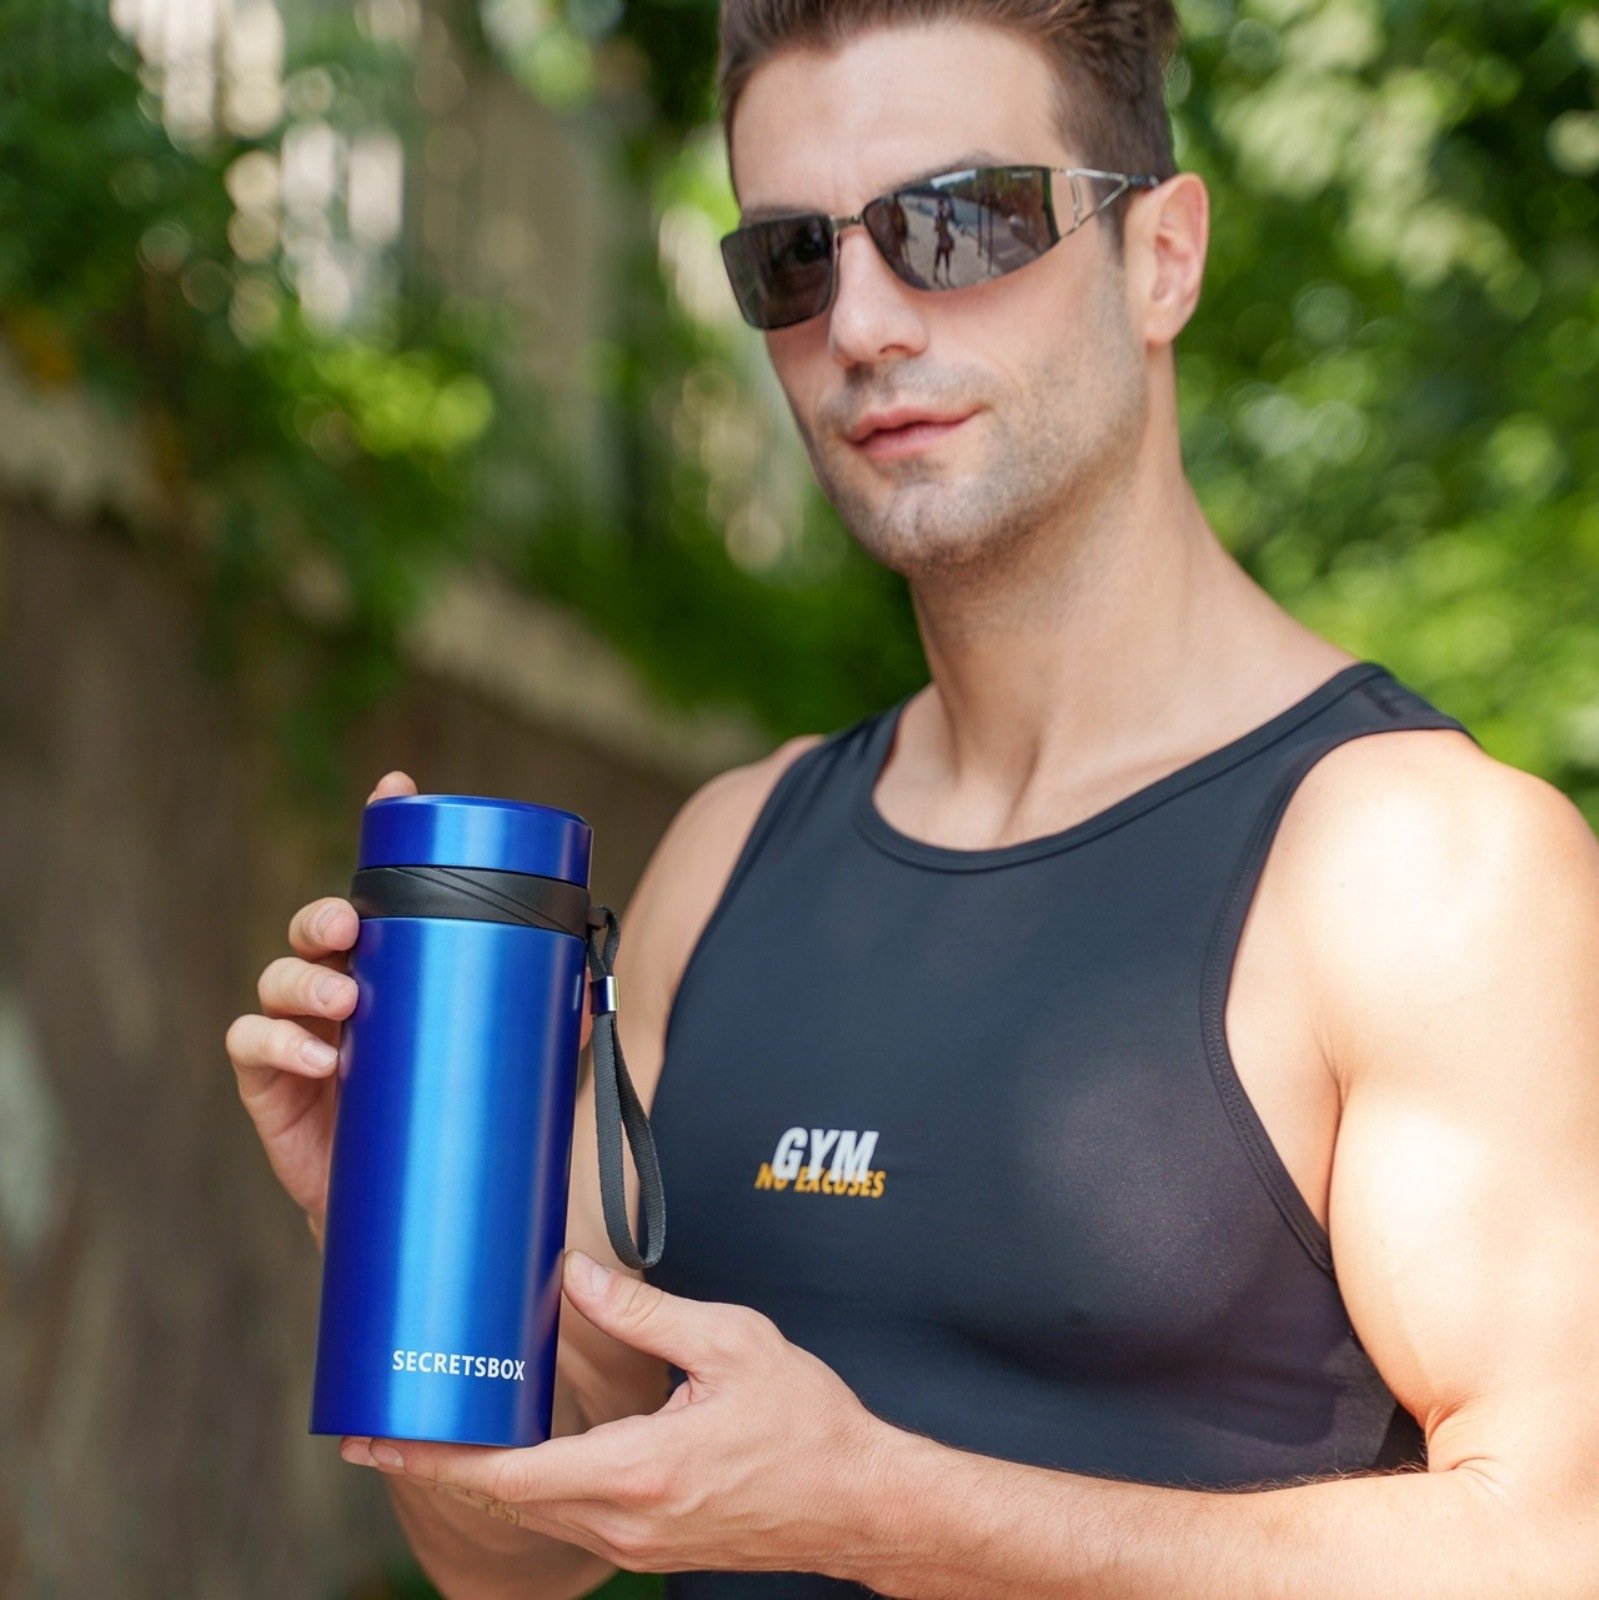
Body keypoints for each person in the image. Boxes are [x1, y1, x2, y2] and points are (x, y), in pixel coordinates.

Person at [226, 3, 1599, 1596]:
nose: (864, 323)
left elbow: (1556, 1543)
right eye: (793, 259)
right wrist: (400, 1240)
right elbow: (512, 1564)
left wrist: (887, 1511)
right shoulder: (730, 854)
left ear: (1162, 256)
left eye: (959, 223)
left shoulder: (1423, 867)